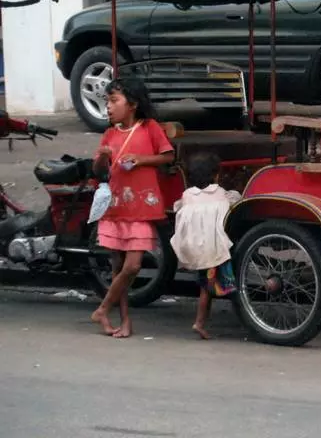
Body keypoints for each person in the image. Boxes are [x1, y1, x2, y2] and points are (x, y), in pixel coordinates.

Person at [91, 78, 175, 338]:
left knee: (133, 266)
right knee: (119, 268)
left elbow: (168, 156)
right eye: (107, 101)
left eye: (114, 100)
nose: (108, 106)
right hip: (116, 208)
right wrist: (104, 157)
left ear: (133, 105)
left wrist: (140, 160)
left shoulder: (149, 128)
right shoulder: (110, 134)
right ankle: (124, 321)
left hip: (140, 207)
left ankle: (103, 308)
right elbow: (97, 171)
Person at [170, 151, 241, 340]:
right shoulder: (219, 194)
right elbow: (234, 201)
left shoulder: (188, 195)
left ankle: (202, 321)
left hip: (196, 248)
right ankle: (200, 322)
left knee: (206, 286)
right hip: (215, 248)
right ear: (216, 175)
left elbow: (178, 208)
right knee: (212, 288)